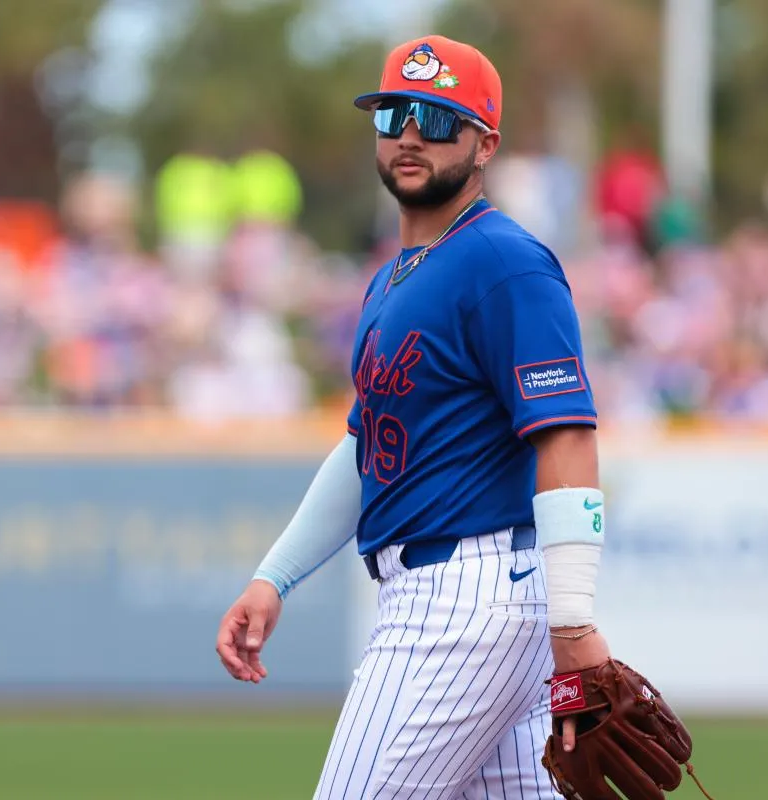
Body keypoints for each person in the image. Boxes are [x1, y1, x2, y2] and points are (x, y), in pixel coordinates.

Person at [216, 35, 612, 798]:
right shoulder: (391, 282)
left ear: (485, 142)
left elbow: (566, 434)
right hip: (450, 595)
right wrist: (276, 577)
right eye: (394, 113)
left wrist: (572, 619)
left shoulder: (507, 261)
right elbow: (367, 445)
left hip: (465, 598)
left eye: (436, 117)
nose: (408, 134)